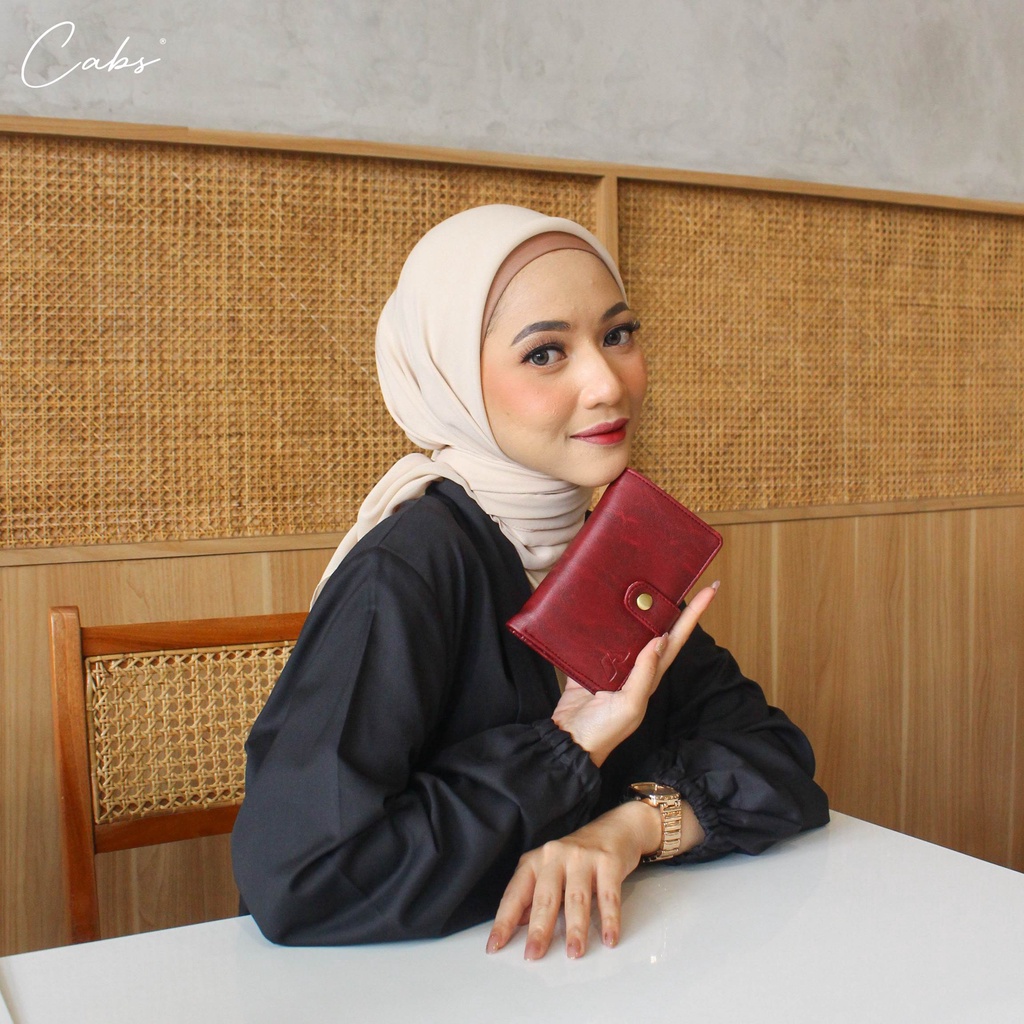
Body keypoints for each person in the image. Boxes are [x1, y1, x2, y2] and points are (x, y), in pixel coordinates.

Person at [231, 204, 829, 960]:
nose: (606, 384)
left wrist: (629, 830)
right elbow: (305, 877)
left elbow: (776, 759)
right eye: (545, 353)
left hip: (583, 970)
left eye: (617, 335)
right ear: (452, 379)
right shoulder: (408, 567)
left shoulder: (602, 547)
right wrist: (565, 746)